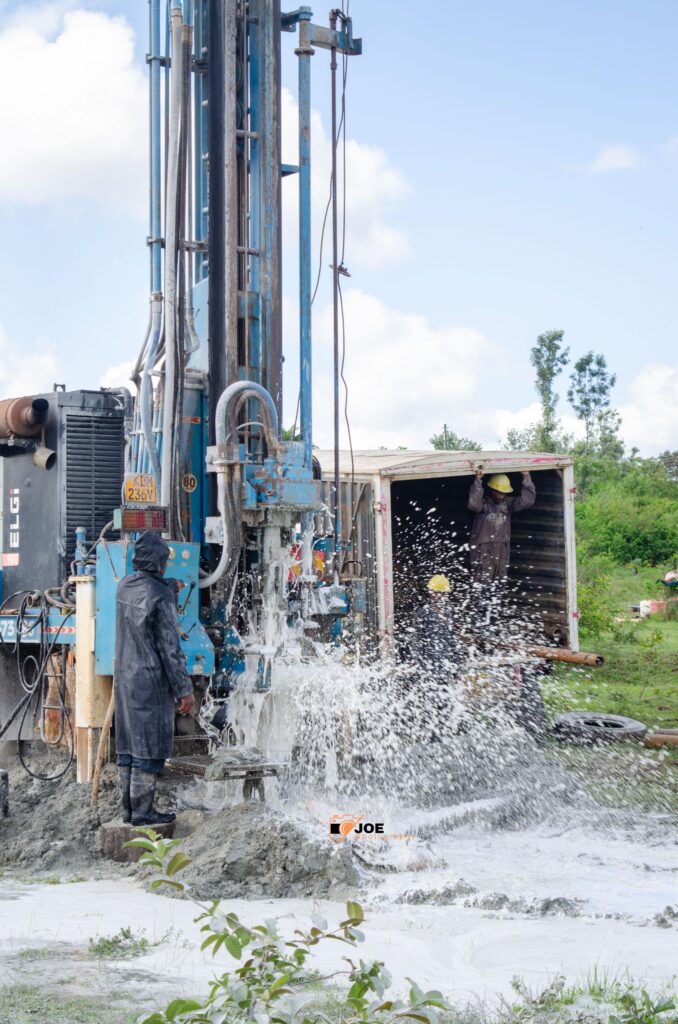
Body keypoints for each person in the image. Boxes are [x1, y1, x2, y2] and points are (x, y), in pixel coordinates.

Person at [115, 530, 196, 826]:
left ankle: (128, 811)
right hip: (150, 681)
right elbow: (170, 649)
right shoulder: (161, 596)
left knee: (128, 747)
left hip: (125, 679)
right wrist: (185, 691)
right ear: (160, 562)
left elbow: (146, 592)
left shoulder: (124, 586)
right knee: (148, 748)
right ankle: (144, 812)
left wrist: (168, 588)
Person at [467, 470, 536, 585]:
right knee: (482, 581)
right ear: (491, 490)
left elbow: (528, 500)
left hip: (502, 548)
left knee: (500, 581)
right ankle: (480, 602)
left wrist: (526, 476)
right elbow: (473, 504)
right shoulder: (483, 504)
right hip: (483, 548)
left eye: (504, 493)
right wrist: (478, 480)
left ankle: (497, 602)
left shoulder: (508, 504)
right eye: (498, 492)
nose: (501, 496)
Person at [410, 575, 460, 674]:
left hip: (445, 665)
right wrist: (419, 664)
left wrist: (456, 665)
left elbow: (451, 640)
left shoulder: (448, 613)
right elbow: (416, 640)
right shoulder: (422, 613)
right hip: (427, 665)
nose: (435, 595)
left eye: (439, 593)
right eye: (433, 592)